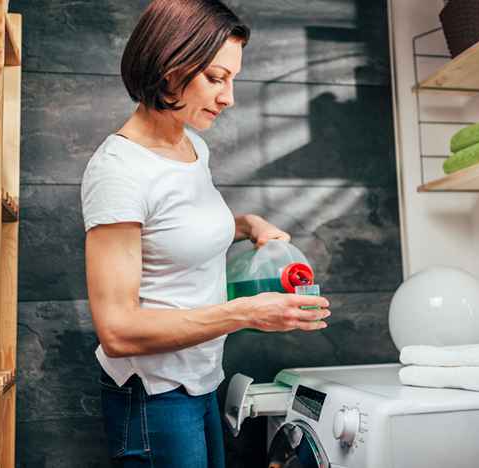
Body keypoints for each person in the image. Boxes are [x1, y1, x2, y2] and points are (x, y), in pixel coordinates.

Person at [80, 0, 331, 467]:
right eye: (217, 78)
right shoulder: (118, 172)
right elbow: (117, 330)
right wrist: (245, 313)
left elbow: (174, 230)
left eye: (231, 79)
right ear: (170, 69)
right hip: (153, 396)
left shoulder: (191, 144)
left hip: (200, 379)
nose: (229, 96)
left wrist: (247, 225)